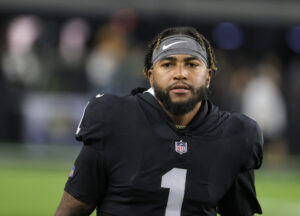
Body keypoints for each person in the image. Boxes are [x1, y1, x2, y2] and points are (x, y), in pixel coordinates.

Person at [55, 26, 263, 216]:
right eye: (168, 64)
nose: (180, 74)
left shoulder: (237, 135)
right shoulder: (113, 118)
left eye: (191, 64)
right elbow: (73, 210)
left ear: (208, 76)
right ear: (151, 76)